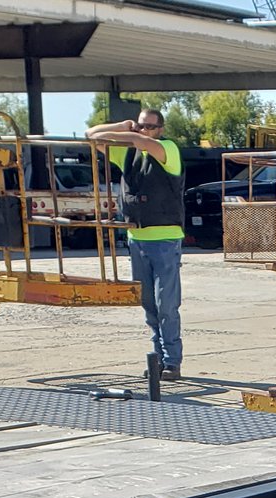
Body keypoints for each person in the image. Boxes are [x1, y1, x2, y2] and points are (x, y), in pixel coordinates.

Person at [88, 106, 185, 380]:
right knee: (148, 304)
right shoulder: (128, 152)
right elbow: (91, 136)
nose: (145, 131)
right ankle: (158, 360)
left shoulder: (167, 149)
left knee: (166, 304)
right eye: (141, 126)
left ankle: (172, 361)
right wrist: (122, 124)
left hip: (165, 239)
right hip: (137, 239)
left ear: (161, 129)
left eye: (151, 126)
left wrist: (133, 135)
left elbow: (143, 143)